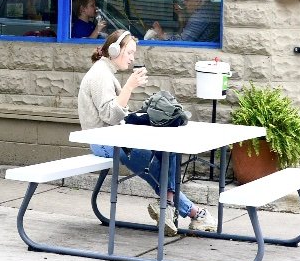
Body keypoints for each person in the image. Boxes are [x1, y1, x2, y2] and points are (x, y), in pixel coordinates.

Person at [76, 29, 215, 235]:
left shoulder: (105, 72)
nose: (132, 58)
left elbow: (116, 115)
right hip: (104, 142)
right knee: (156, 164)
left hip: (114, 138)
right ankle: (194, 213)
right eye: (130, 52)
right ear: (115, 50)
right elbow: (110, 115)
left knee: (168, 153)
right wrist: (129, 87)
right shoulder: (100, 75)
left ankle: (169, 206)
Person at [149, 0, 219, 42]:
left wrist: (161, 34)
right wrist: (181, 17)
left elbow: (183, 42)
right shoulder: (205, 10)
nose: (184, 2)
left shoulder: (200, 16)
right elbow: (183, 35)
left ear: (198, 1)